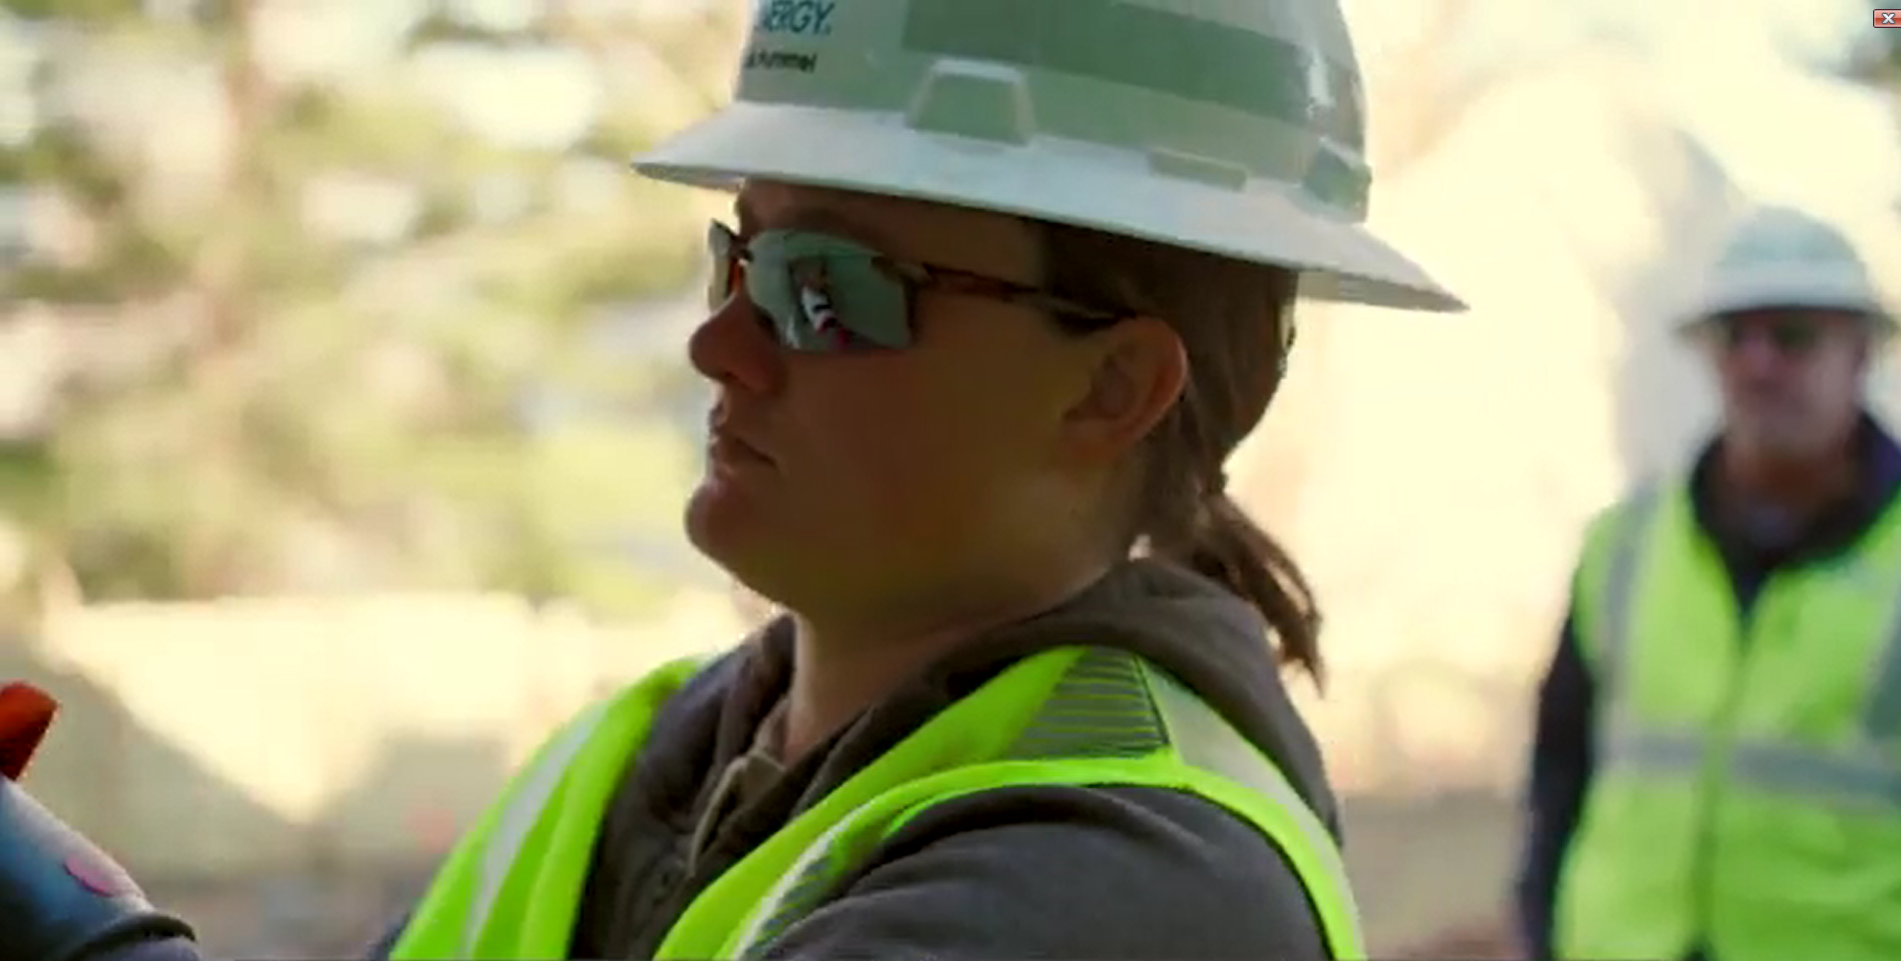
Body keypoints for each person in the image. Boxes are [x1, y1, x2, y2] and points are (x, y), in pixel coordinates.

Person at [1, 1, 1463, 958]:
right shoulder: (628, 760)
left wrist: (67, 924)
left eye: (827, 288)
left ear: (1111, 387)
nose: (719, 344)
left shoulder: (1132, 889)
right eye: (738, 258)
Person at [1516, 204, 1901, 961]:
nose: (1757, 365)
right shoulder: (1624, 549)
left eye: (1791, 336)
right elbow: (1560, 774)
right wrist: (1538, 927)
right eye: (1734, 337)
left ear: (1860, 353)